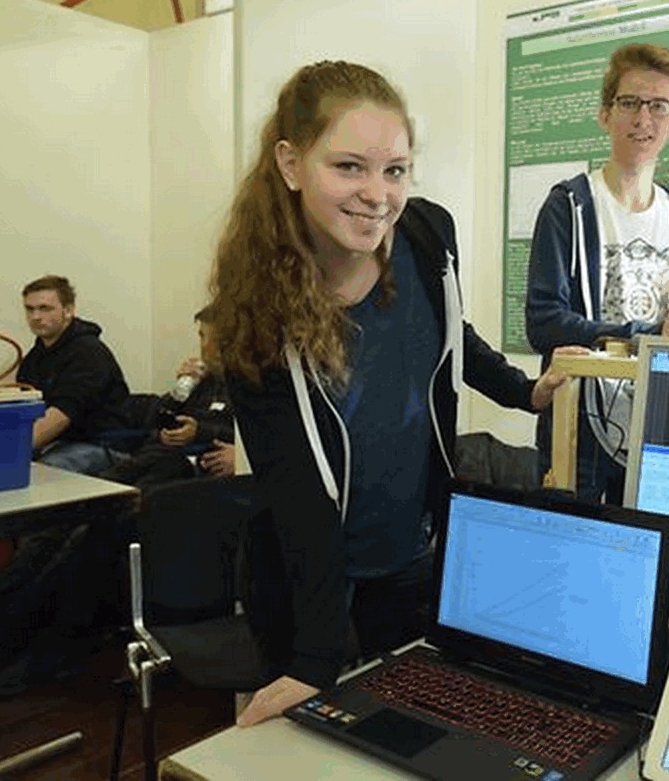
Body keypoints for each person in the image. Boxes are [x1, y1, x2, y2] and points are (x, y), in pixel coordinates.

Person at [209, 60, 580, 726]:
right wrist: (313, 661)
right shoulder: (254, 314)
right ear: (291, 163)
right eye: (348, 167)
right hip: (305, 583)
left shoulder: (427, 235)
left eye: (395, 170)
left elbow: (450, 331)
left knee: (411, 734)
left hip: (412, 555)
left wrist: (524, 392)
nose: (377, 195)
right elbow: (298, 495)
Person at [525, 43, 669, 505]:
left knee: (647, 542)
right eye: (630, 103)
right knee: (572, 541)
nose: (644, 118)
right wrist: (648, 334)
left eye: (658, 106)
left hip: (655, 421)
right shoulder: (570, 206)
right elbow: (543, 324)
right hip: (577, 422)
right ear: (605, 115)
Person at [99, 305, 235, 491]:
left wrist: (198, 432)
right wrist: (179, 392)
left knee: (156, 475)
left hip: (199, 460)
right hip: (167, 452)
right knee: (128, 475)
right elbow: (155, 418)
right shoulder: (205, 380)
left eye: (205, 336)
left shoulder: (246, 383)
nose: (203, 345)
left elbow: (239, 433)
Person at [17, 275, 131, 475]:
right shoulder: (36, 356)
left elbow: (62, 413)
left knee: (40, 474)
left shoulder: (88, 352)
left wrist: (10, 449)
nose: (35, 316)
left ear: (68, 311)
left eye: (45, 308)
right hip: (61, 442)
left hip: (102, 444)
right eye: (30, 309)